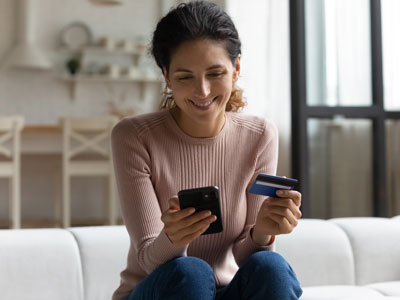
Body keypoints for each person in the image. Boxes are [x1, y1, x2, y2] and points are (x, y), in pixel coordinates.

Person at [111, 1, 303, 299]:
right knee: (191, 271)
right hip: (160, 289)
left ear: (236, 67)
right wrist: (172, 238)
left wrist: (262, 230)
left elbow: (248, 258)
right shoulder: (134, 136)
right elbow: (150, 259)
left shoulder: (260, 135)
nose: (202, 91)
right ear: (166, 75)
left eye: (215, 73)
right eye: (185, 77)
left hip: (225, 291)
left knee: (271, 266)